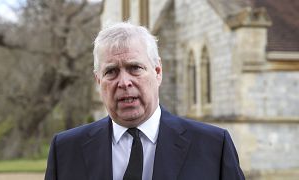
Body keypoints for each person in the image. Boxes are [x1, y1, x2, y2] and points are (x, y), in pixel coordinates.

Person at [45, 22, 245, 180]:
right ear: (98, 81)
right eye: (111, 71)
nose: (124, 82)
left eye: (135, 68)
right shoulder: (65, 150)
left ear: (157, 72)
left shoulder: (213, 147)